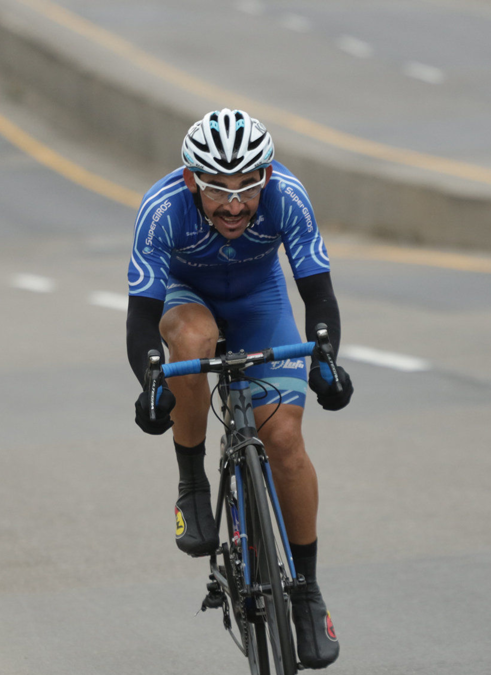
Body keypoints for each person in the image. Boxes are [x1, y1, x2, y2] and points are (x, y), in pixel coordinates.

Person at [126, 109, 352, 669]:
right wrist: (151, 384)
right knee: (194, 341)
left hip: (259, 301)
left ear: (267, 177)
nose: (234, 205)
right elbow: (141, 320)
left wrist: (326, 361)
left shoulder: (288, 197)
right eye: (217, 190)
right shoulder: (162, 211)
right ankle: (192, 484)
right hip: (187, 296)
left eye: (248, 187)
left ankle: (306, 591)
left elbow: (318, 294)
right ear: (190, 181)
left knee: (286, 442)